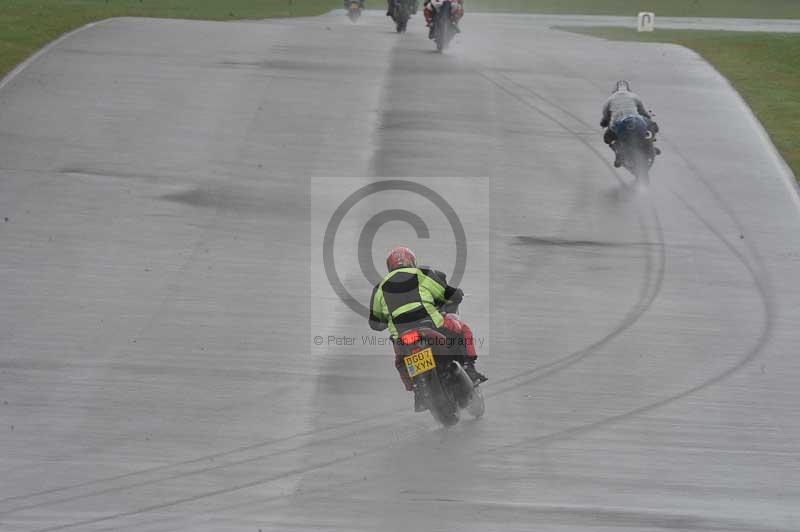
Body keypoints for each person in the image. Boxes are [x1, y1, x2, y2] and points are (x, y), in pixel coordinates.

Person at [368, 246, 487, 412]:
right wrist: (457, 294)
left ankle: (418, 390)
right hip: (431, 326)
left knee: (400, 361)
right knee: (462, 331)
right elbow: (448, 294)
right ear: (412, 261)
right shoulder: (421, 274)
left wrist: (388, 319)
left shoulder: (379, 288)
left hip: (402, 338)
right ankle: (469, 368)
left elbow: (375, 324)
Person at [601, 80, 661, 168]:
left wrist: (604, 123)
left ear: (614, 91)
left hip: (618, 123)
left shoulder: (609, 100)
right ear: (628, 89)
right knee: (653, 126)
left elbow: (605, 115)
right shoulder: (635, 96)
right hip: (635, 119)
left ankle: (618, 154)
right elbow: (643, 111)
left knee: (607, 138)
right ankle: (651, 146)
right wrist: (647, 116)